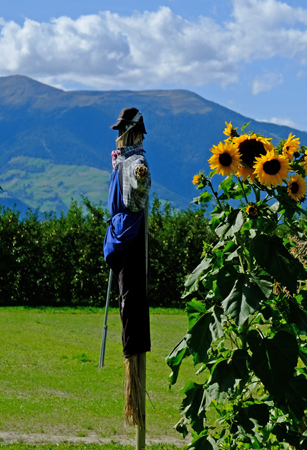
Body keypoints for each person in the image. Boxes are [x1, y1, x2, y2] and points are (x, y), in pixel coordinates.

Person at [102, 107, 150, 445]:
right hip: (128, 239)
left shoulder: (131, 162)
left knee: (130, 308)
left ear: (130, 131)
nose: (118, 135)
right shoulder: (127, 161)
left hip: (128, 241)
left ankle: (135, 397)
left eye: (121, 130)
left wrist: (139, 171)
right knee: (129, 309)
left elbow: (138, 183)